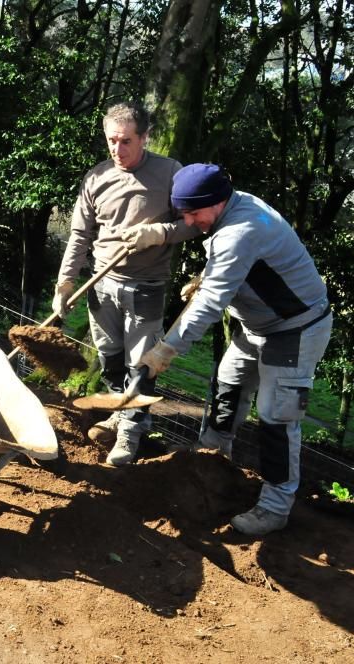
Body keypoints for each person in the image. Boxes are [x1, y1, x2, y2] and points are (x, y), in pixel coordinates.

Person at [139, 164, 332, 536]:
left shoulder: (242, 230)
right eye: (185, 213)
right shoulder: (231, 210)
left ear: (219, 200)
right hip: (256, 326)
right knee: (227, 387)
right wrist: (206, 278)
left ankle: (275, 508)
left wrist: (164, 351)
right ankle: (209, 465)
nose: (190, 222)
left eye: (194, 213)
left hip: (295, 330)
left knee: (278, 416)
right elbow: (236, 270)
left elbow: (212, 303)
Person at [52, 102, 198, 466]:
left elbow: (195, 223)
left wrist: (159, 233)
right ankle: (121, 409)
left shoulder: (170, 174)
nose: (118, 150)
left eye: (126, 141)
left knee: (142, 364)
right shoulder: (96, 178)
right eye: (111, 141)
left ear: (145, 137)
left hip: (146, 286)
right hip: (101, 284)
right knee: (110, 359)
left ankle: (131, 432)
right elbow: (79, 234)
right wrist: (65, 283)